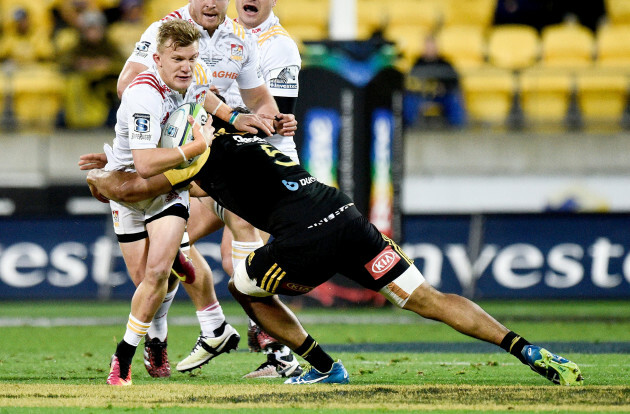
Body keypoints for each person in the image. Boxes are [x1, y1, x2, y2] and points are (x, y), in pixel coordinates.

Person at [85, 112, 584, 388]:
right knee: (425, 297)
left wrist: (100, 176)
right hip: (346, 218)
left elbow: (137, 188)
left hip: (305, 239)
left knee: (243, 285)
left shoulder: (196, 154)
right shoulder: (246, 143)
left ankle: (325, 367)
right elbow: (200, 191)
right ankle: (528, 350)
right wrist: (116, 164)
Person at [81, 0, 297, 380]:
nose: (186, 65)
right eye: (178, 59)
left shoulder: (240, 44)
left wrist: (256, 119)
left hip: (199, 165)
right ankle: (185, 332)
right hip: (160, 166)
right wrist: (134, 147)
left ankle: (272, 346)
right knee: (150, 274)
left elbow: (233, 97)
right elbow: (136, 113)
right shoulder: (159, 43)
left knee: (206, 260)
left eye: (190, 59)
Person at [222, 0, 303, 380]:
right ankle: (215, 328)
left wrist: (224, 114)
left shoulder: (279, 44)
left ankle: (279, 352)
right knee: (222, 260)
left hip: (269, 162)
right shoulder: (219, 33)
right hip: (230, 153)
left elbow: (275, 117)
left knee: (245, 265)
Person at [404, 34, 466, 128]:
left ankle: (457, 129)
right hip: (421, 96)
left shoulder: (445, 63)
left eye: (432, 46)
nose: (430, 49)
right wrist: (423, 90)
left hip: (442, 96)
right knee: (408, 100)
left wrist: (444, 88)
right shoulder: (417, 64)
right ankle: (409, 128)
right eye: (427, 47)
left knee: (454, 99)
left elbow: (455, 81)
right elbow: (410, 83)